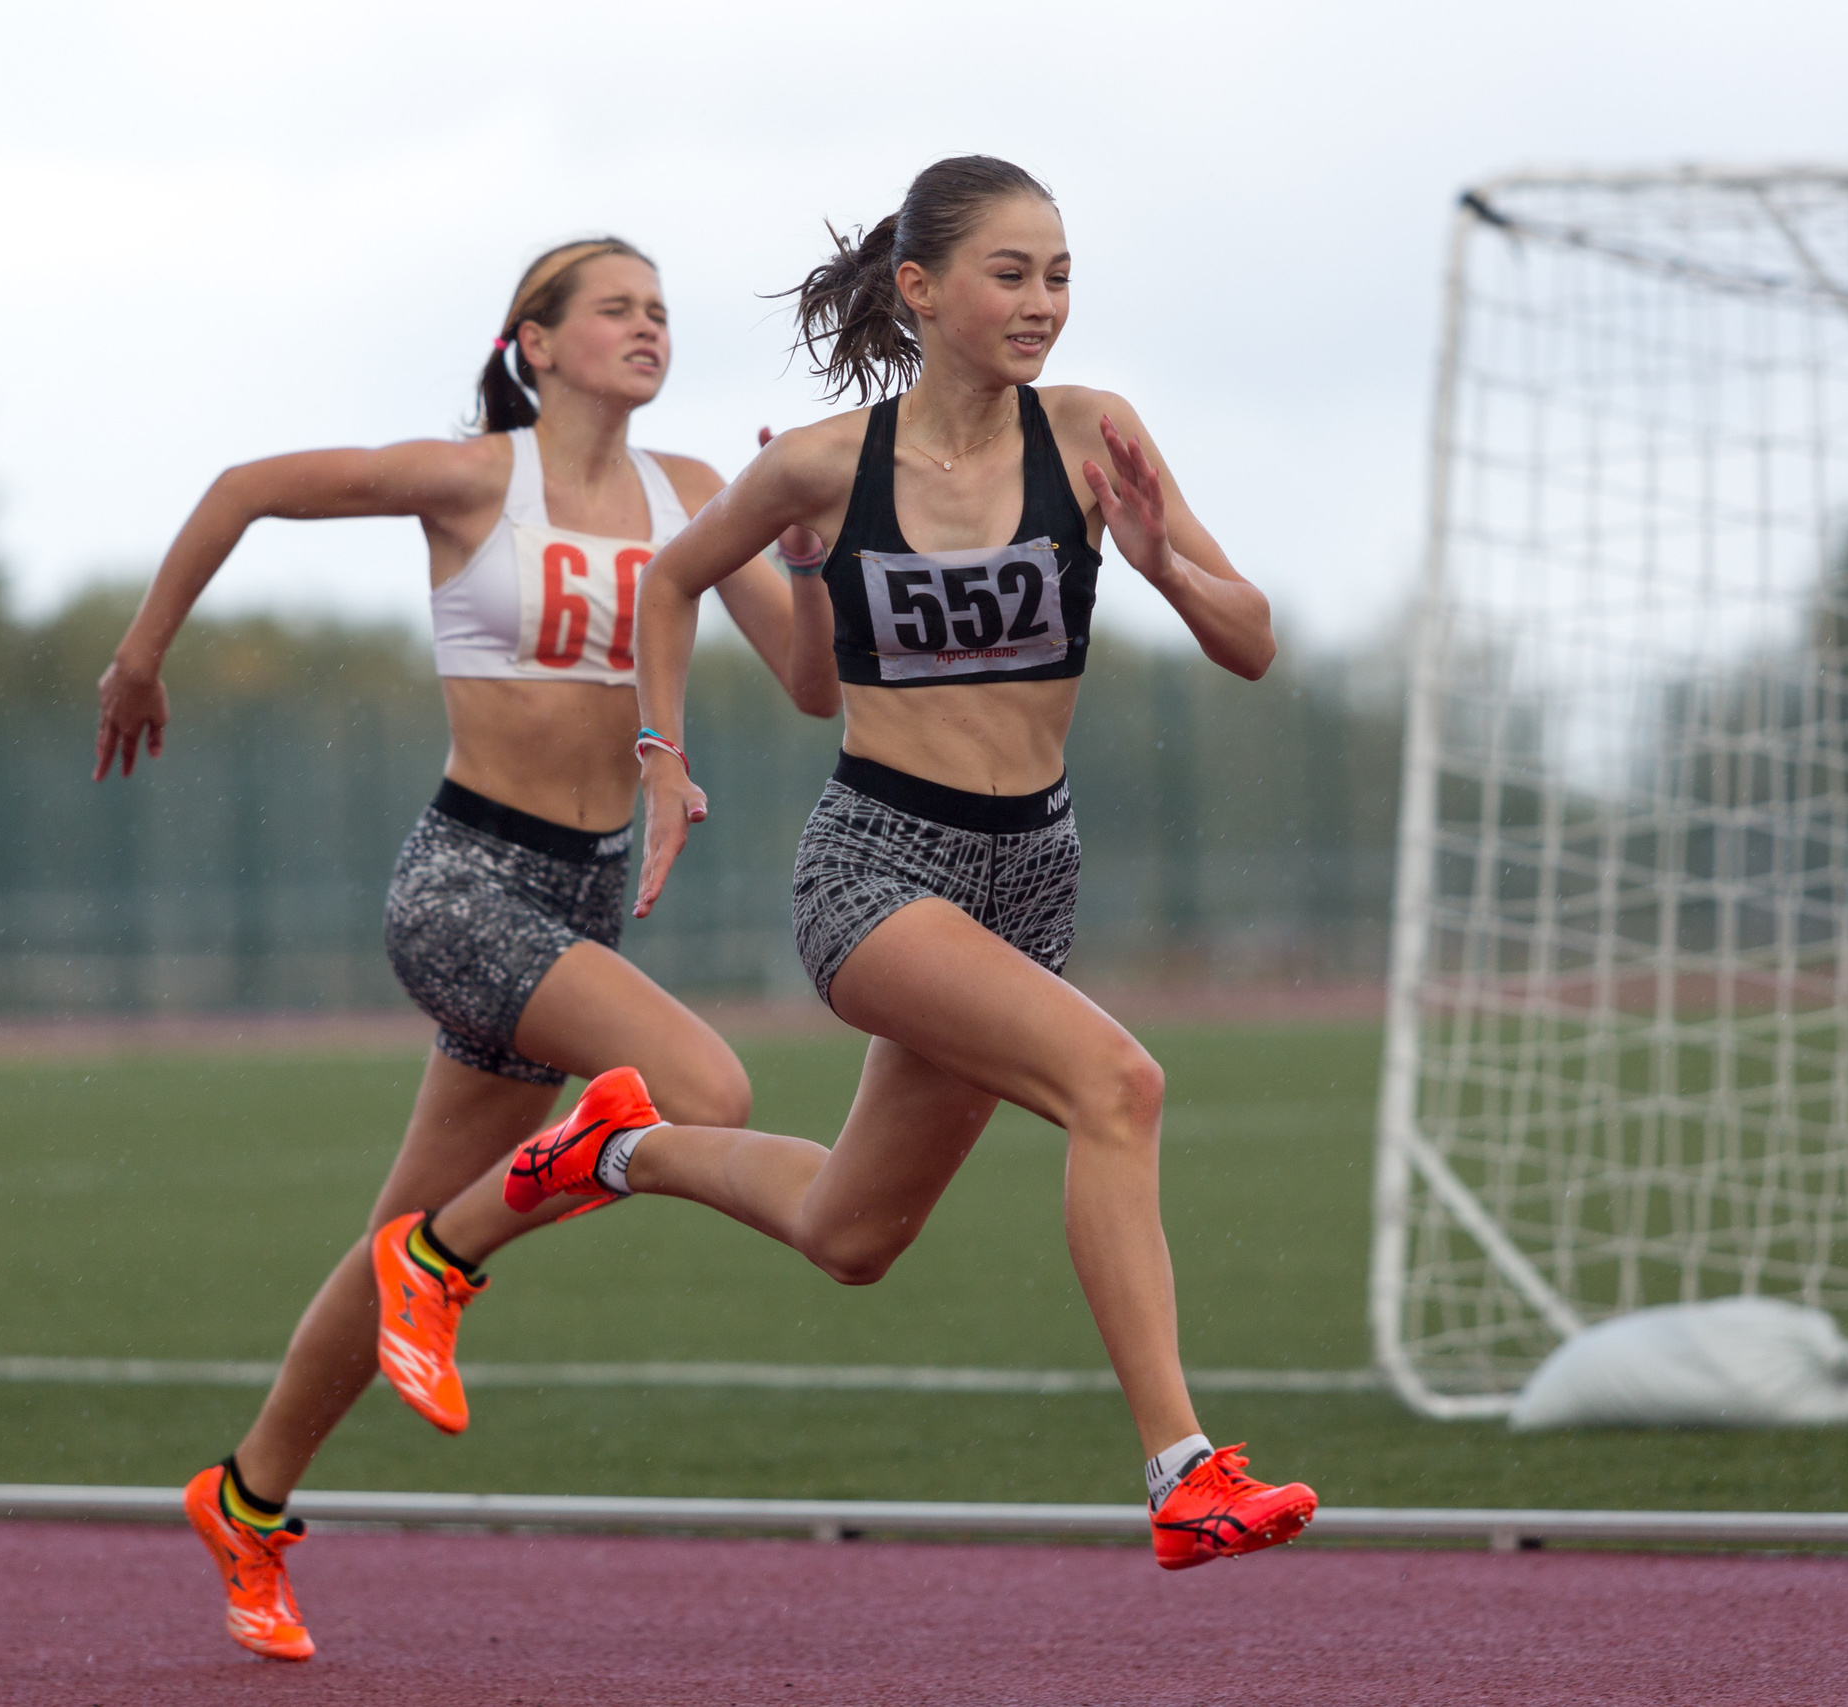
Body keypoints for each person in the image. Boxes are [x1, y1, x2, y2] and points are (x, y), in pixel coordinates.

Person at [408, 158, 1314, 1572]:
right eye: (1010, 274)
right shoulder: (826, 464)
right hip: (879, 871)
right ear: (921, 289)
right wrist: (662, 755)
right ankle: (1182, 1470)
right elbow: (672, 579)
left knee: (852, 1233)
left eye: (1059, 275)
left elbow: (1252, 641)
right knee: (1117, 1086)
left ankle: (617, 1148)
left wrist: (1160, 566)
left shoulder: (1093, 436)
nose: (1042, 304)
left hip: (1032, 879)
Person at [92, 237, 838, 1661]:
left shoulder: (693, 495)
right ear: (535, 343)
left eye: (661, 311)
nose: (647, 327)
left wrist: (801, 555)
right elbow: (245, 489)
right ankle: (449, 1262)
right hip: (465, 880)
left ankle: (246, 1502)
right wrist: (142, 653)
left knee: (385, 1239)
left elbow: (810, 684)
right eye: (614, 308)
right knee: (706, 1089)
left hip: (587, 894)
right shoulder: (471, 478)